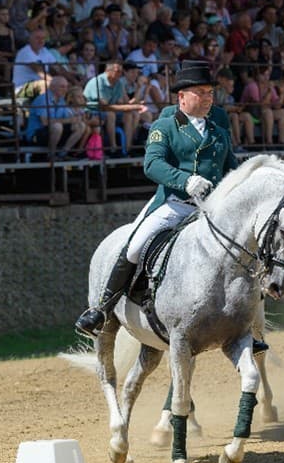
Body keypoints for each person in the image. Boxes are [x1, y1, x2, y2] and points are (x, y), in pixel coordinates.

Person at [74, 65, 238, 338]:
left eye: (210, 93)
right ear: (182, 97)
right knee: (135, 246)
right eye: (201, 93)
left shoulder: (218, 132)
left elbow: (232, 170)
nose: (209, 98)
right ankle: (102, 310)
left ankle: (247, 319)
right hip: (176, 204)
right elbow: (152, 165)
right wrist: (185, 180)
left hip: (212, 209)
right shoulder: (165, 126)